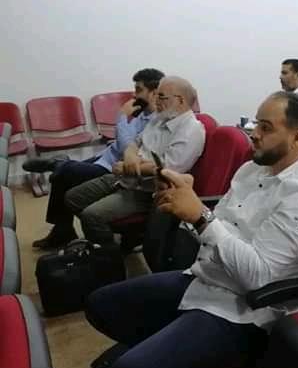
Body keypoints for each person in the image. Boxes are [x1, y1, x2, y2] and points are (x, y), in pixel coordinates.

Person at [84, 91, 298, 368]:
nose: (254, 133)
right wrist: (185, 203)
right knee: (100, 304)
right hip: (204, 278)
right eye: (255, 123)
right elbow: (222, 227)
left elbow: (259, 278)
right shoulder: (252, 169)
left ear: (297, 138)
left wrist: (200, 218)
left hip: (243, 313)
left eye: (266, 128)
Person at [26, 69, 164, 249]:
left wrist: (122, 117)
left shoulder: (158, 121)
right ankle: (62, 229)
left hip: (113, 169)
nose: (134, 95)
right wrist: (125, 123)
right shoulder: (143, 113)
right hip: (105, 157)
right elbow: (123, 141)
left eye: (139, 90)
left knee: (63, 172)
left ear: (154, 93)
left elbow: (127, 148)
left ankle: (62, 228)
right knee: (61, 175)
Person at [65, 76, 205, 245]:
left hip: (147, 192)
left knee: (91, 215)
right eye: (156, 95)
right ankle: (115, 236)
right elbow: (135, 141)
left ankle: (107, 257)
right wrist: (130, 156)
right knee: (72, 198)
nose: (155, 100)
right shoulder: (160, 117)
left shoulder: (191, 130)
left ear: (180, 100)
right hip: (126, 177)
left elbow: (168, 169)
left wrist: (128, 167)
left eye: (161, 96)